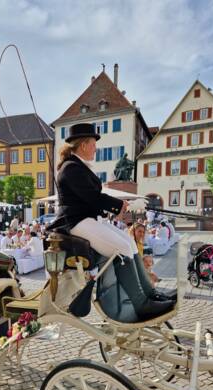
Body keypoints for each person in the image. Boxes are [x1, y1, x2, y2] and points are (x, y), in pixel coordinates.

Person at [49, 122, 175, 321]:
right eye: (93, 144)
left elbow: (90, 200)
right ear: (83, 145)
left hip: (87, 219)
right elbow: (92, 197)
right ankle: (142, 304)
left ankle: (149, 293)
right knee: (121, 248)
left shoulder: (76, 166)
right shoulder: (71, 168)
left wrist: (118, 208)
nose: (95, 148)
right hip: (75, 222)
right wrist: (122, 206)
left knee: (129, 242)